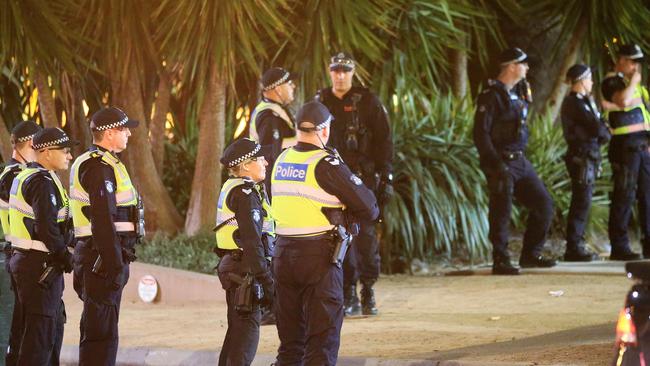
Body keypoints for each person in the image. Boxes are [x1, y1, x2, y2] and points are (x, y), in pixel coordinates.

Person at [271, 101, 378, 365]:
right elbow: (370, 207)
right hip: (318, 258)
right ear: (324, 130)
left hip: (282, 256)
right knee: (322, 341)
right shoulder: (326, 163)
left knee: (290, 344)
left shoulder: (280, 159)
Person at [315, 52, 393, 316]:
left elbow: (384, 141)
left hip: (363, 180)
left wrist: (386, 177)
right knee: (339, 238)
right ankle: (348, 292)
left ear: (352, 72)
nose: (339, 76)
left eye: (344, 71)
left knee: (366, 239)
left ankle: (367, 290)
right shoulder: (320, 101)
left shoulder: (368, 101)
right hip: (331, 181)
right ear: (329, 71)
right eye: (335, 70)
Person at [473, 47, 557, 275]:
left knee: (543, 204)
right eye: (523, 63)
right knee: (501, 210)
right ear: (511, 66)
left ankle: (531, 254)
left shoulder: (517, 92)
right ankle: (500, 259)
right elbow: (481, 134)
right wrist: (494, 163)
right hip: (501, 161)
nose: (527, 68)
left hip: (519, 161)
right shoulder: (491, 96)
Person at [70, 107, 142, 365]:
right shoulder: (97, 166)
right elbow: (102, 220)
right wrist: (114, 266)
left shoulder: (104, 162)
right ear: (110, 133)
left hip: (100, 257)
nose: (129, 134)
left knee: (102, 330)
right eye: (124, 129)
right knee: (100, 335)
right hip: (100, 260)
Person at [8, 127, 76, 365]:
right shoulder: (41, 182)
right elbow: (47, 228)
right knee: (40, 338)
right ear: (46, 152)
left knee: (38, 332)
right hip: (39, 266)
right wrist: (66, 257)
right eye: (65, 151)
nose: (69, 156)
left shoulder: (31, 176)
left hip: (29, 263)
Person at [214, 138, 275, 366]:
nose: (266, 163)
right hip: (245, 271)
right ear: (247, 165)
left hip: (236, 267)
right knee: (246, 336)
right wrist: (267, 281)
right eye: (260, 159)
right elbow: (252, 243)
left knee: (237, 333)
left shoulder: (234, 187)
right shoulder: (245, 194)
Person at [601, 44, 650, 260]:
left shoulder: (636, 85)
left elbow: (644, 114)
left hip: (642, 147)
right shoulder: (611, 81)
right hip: (624, 148)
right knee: (624, 196)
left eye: (637, 62)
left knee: (647, 196)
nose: (635, 66)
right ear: (620, 61)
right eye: (632, 61)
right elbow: (623, 102)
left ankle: (648, 242)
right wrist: (634, 82)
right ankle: (619, 246)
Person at [560, 64, 611, 261]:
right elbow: (596, 127)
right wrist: (602, 131)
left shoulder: (585, 102)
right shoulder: (574, 103)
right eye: (589, 79)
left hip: (589, 155)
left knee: (584, 200)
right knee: (581, 201)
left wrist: (602, 131)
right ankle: (574, 247)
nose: (591, 83)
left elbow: (600, 130)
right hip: (581, 156)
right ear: (581, 80)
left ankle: (577, 244)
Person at [0, 120, 41, 365]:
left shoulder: (10, 173)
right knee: (11, 331)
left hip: (9, 256)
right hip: (11, 256)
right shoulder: (18, 176)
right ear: (30, 144)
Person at [249, 67, 297, 195]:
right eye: (290, 84)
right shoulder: (268, 116)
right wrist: (301, 141)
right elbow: (270, 151)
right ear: (278, 89)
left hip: (279, 180)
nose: (294, 86)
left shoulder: (275, 109)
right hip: (273, 185)